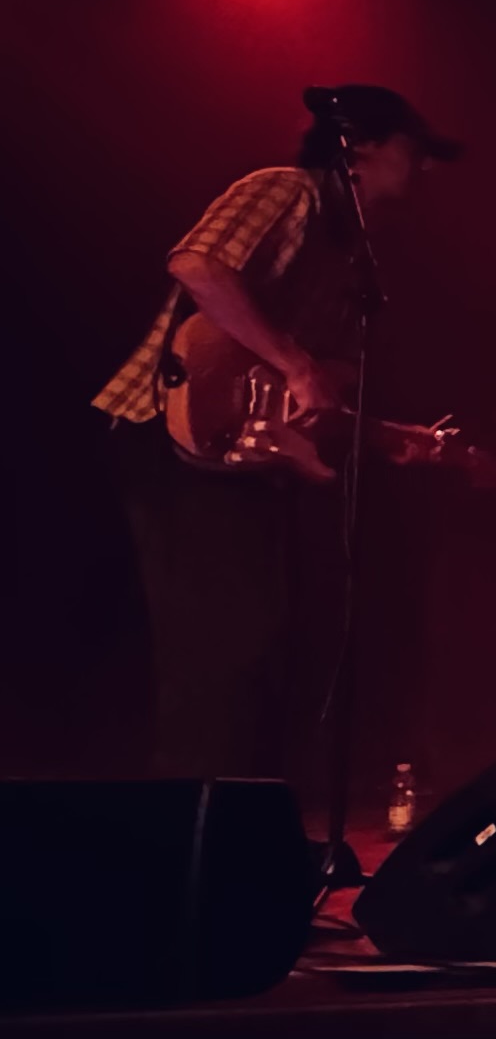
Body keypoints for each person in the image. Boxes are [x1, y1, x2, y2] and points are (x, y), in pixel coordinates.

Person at [93, 85, 462, 779]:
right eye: (416, 151)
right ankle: (192, 847)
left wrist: (385, 436)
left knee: (261, 651)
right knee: (224, 651)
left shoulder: (351, 257)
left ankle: (235, 826)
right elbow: (197, 264)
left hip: (236, 453)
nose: (427, 170)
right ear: (362, 146)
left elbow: (290, 395)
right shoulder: (286, 191)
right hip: (169, 434)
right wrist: (295, 362)